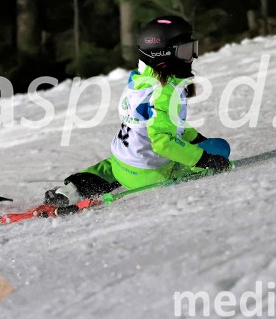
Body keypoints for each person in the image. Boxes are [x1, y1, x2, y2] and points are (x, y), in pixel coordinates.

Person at [45, 15, 231, 207]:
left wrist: (194, 138)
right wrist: (203, 159)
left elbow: (170, 122)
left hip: (122, 163)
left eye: (193, 49)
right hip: (151, 175)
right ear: (162, 55)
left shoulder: (138, 80)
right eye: (185, 51)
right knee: (220, 148)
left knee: (116, 166)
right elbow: (162, 142)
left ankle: (73, 189)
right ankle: (157, 173)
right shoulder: (166, 91)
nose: (191, 57)